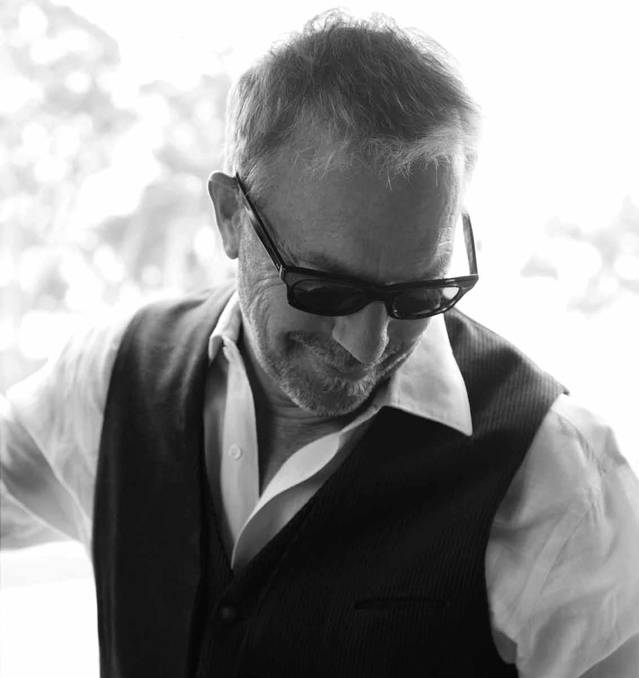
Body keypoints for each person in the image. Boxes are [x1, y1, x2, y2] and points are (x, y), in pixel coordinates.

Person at [2, 10, 638, 678]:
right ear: (231, 217)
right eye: (325, 289)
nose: (368, 345)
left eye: (418, 294)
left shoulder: (561, 476)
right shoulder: (112, 377)